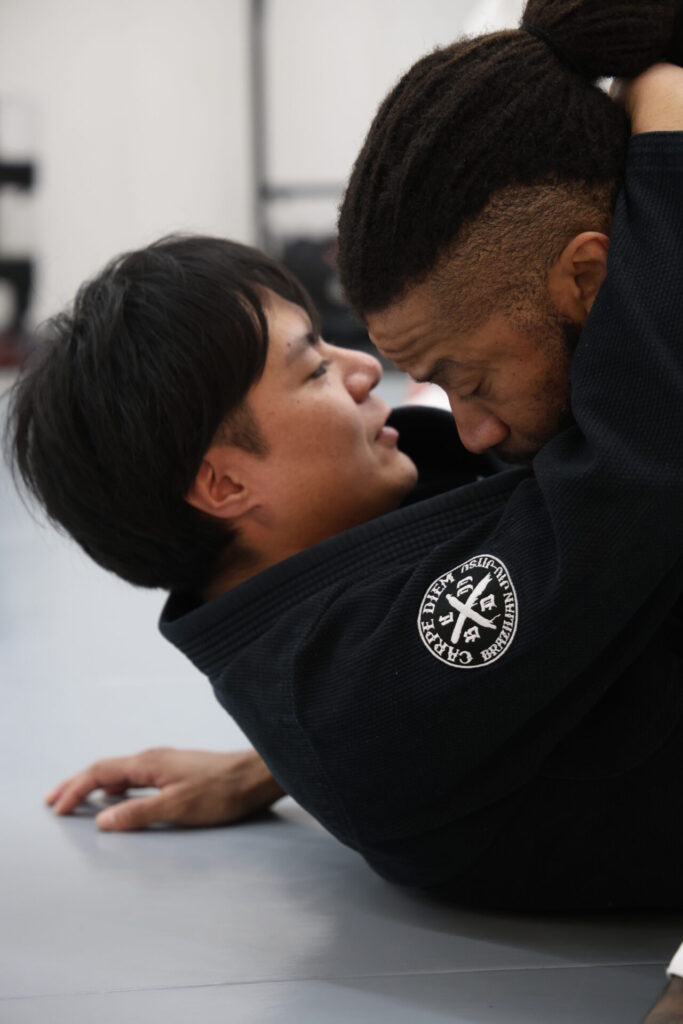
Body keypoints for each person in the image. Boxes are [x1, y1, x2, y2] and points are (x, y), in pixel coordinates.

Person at [9, 3, 683, 908]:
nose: (364, 371)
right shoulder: (363, 701)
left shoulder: (340, 630)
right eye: (314, 368)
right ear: (223, 482)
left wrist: (272, 762)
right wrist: (660, 102)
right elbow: (638, 470)